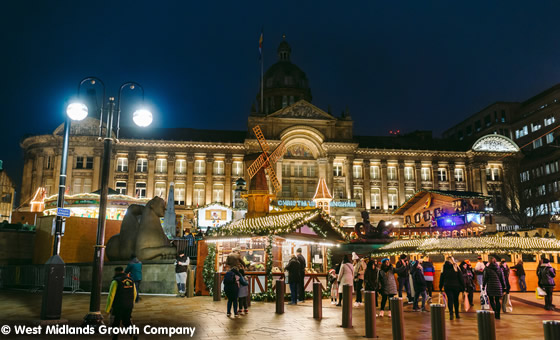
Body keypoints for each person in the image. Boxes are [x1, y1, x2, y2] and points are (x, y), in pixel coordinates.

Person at [105, 267, 137, 340]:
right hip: (128, 305)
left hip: (118, 306)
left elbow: (111, 296)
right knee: (126, 321)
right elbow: (134, 293)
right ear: (123, 271)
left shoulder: (115, 281)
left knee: (116, 322)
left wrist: (108, 309)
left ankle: (115, 337)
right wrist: (131, 303)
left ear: (116, 272)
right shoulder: (131, 280)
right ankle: (132, 335)